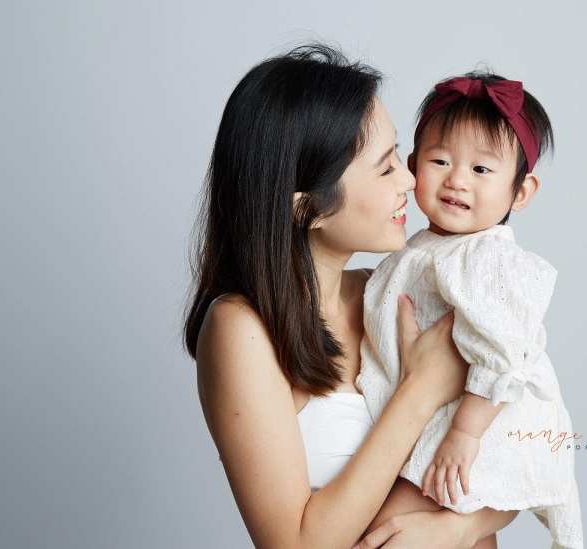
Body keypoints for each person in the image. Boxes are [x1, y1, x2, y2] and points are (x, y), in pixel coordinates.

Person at [182, 44, 520, 549]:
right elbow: (294, 544)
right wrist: (421, 390)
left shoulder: (390, 294)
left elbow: (515, 447)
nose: (411, 178)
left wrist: (459, 527)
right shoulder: (241, 329)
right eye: (385, 168)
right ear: (308, 209)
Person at [356, 73, 584, 548]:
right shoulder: (419, 250)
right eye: (440, 161)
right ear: (413, 166)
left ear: (520, 192)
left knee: (382, 531)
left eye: (481, 169)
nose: (457, 180)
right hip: (435, 424)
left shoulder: (488, 259)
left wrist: (465, 433)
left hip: (479, 427)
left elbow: (502, 353)